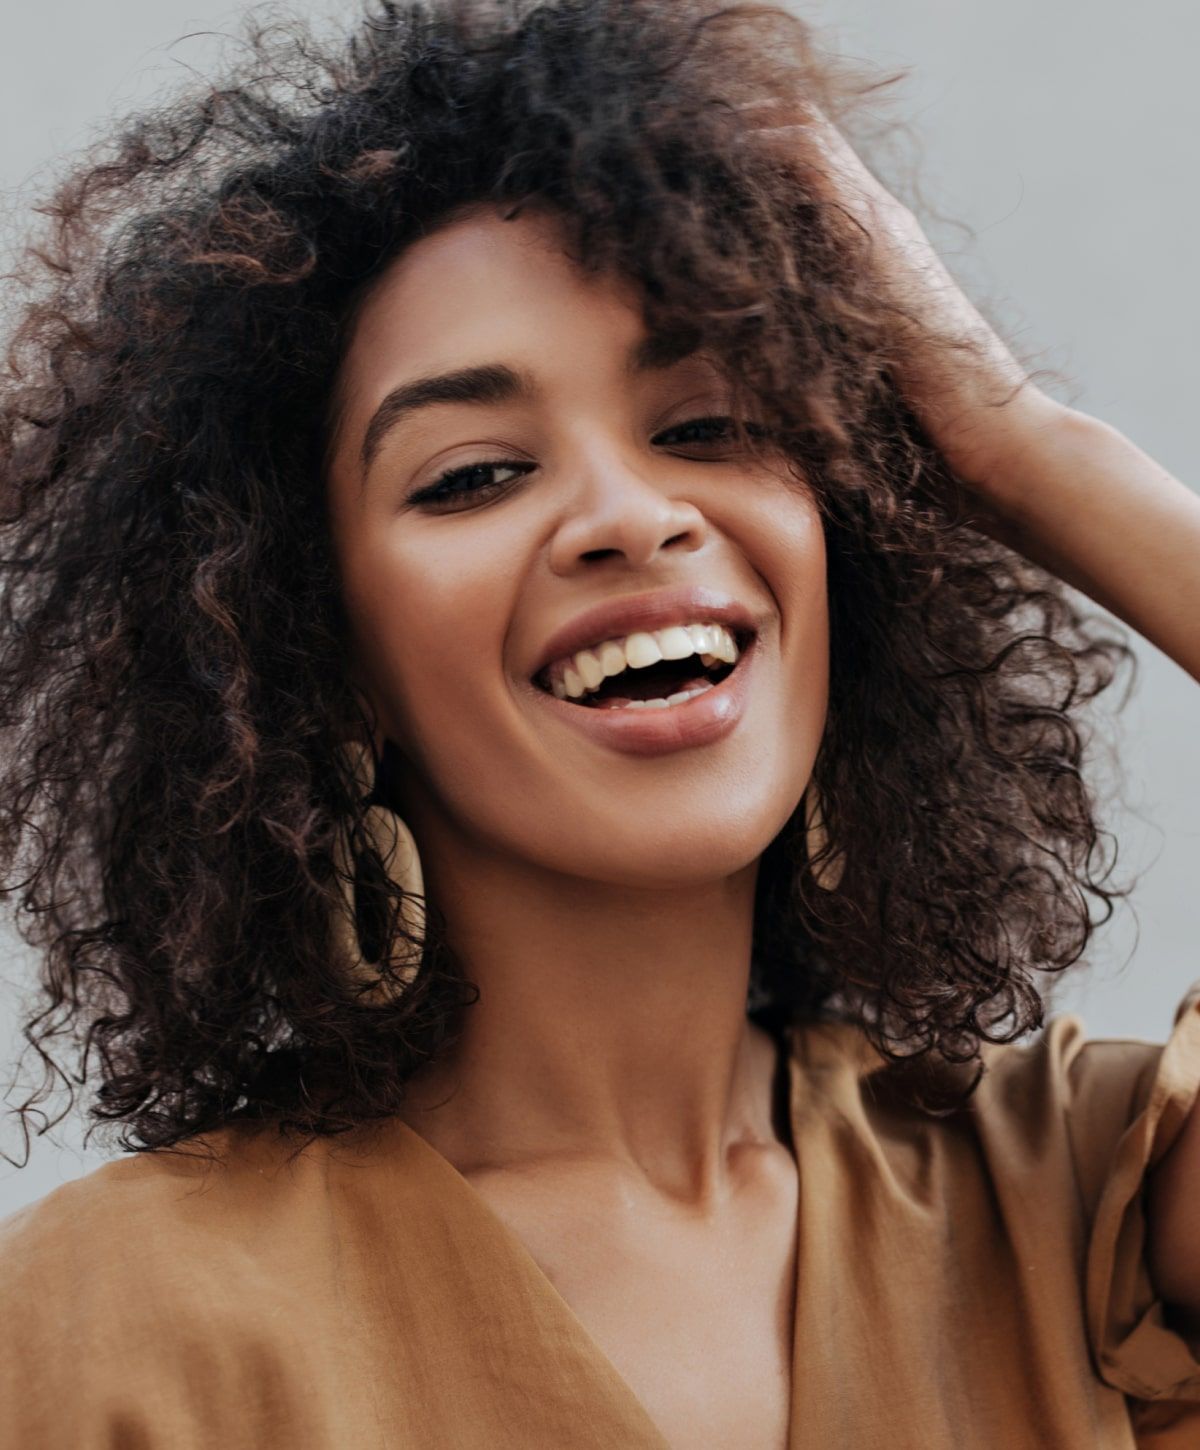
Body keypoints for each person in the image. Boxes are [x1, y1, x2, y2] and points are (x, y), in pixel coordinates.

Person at [0, 1, 1197, 1445]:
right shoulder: (108, 1325)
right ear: (316, 650)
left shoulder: (1080, 1208)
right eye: (473, 475)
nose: (633, 517)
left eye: (704, 427)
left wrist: (1020, 442)